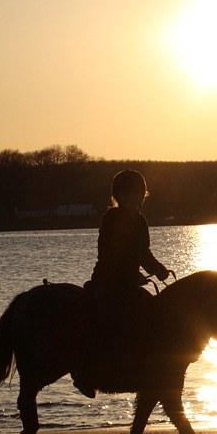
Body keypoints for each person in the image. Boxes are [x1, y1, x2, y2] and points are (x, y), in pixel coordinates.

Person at [72, 170, 172, 397]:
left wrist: (158, 270)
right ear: (119, 196)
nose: (137, 199)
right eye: (132, 195)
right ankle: (87, 372)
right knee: (111, 320)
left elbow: (143, 253)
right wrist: (130, 274)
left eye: (139, 194)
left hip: (127, 284)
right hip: (107, 283)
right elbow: (109, 254)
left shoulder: (140, 221)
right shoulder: (111, 219)